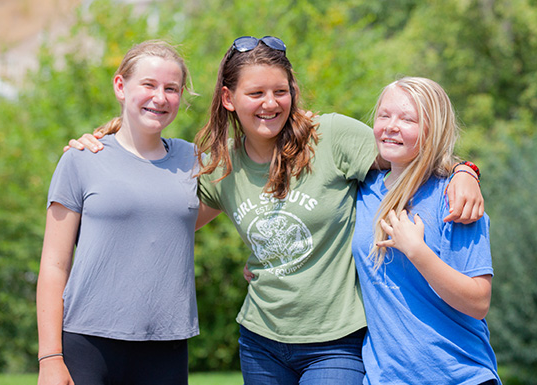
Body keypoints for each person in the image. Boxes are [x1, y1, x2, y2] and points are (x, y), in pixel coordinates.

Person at [67, 37, 484, 384]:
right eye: (256, 93)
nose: (270, 104)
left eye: (280, 92)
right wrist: (110, 147)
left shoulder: (332, 137)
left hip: (335, 341)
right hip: (261, 341)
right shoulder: (221, 167)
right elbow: (159, 216)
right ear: (229, 99)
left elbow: (410, 147)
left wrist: (465, 170)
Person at [36, 40, 201, 385]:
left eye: (171, 88)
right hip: (88, 345)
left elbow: (241, 198)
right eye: (149, 85)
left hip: (167, 347)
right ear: (120, 86)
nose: (160, 97)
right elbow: (54, 265)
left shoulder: (193, 161)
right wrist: (50, 358)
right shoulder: (80, 159)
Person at [351, 77, 500, 384]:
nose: (391, 126)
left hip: (461, 376)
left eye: (408, 119)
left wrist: (418, 252)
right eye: (384, 115)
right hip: (384, 379)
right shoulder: (361, 191)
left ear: (434, 130)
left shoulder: (456, 200)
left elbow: (478, 303)